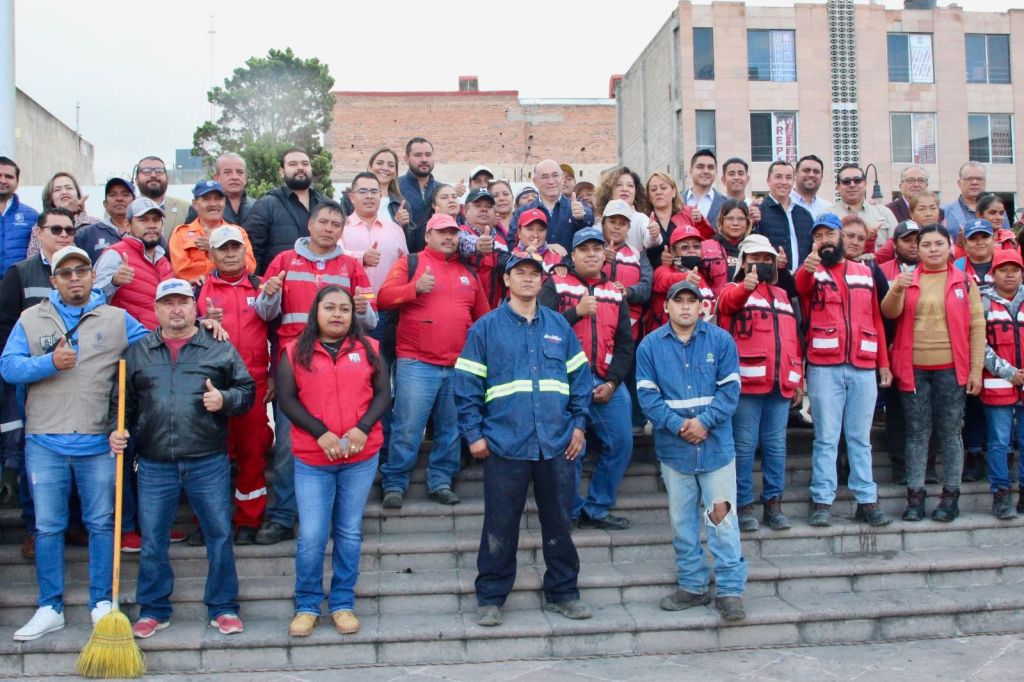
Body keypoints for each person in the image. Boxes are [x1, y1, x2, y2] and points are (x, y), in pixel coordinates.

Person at [1, 245, 149, 641]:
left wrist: (200, 326)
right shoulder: (31, 319)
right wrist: (48, 363)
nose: (74, 278)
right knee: (48, 527)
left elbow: (152, 348)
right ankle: (50, 607)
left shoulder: (116, 319)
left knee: (101, 523)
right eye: (65, 273)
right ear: (54, 281)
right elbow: (8, 366)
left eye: (81, 270)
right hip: (45, 442)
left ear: (90, 275)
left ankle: (101, 602)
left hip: (98, 441)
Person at [454, 252, 592, 627]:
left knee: (560, 522)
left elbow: (581, 379)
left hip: (557, 443)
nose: (529, 279)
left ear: (542, 281)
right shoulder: (485, 328)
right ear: (508, 280)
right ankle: (491, 597)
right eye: (521, 273)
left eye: (535, 274)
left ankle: (563, 593)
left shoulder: (560, 327)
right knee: (500, 523)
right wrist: (473, 433)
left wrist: (579, 424)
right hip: (504, 444)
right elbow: (465, 385)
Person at [112, 278, 255, 639]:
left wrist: (225, 400)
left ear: (196, 307)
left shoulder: (218, 346)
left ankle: (223, 607)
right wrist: (118, 432)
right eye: (168, 303)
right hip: (155, 462)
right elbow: (122, 405)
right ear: (156, 309)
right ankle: (154, 608)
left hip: (207, 459)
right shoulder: (138, 351)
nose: (176, 309)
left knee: (219, 535)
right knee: (154, 539)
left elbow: (247, 391)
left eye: (183, 302)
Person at [254, 201, 377, 545]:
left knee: (341, 438)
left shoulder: (351, 265)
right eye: (323, 221)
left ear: (342, 230)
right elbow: (264, 312)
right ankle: (283, 516)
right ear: (310, 224)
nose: (328, 228)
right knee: (289, 445)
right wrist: (267, 296)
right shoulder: (282, 262)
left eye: (335, 224)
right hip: (295, 364)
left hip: (341, 367)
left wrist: (365, 309)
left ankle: (341, 518)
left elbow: (371, 320)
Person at [278, 286, 390, 637]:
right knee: (312, 534)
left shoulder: (369, 348)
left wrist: (363, 427)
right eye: (330, 308)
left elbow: (384, 392)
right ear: (316, 312)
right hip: (314, 458)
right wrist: (321, 433)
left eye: (344, 308)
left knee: (348, 532)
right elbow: (286, 399)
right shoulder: (295, 351)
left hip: (360, 455)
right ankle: (308, 605)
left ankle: (342, 603)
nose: (338, 314)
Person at [636, 279, 746, 622]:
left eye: (691, 301)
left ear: (702, 307)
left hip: (715, 451)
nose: (685, 306)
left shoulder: (720, 341)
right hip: (675, 451)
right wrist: (678, 425)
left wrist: (704, 423)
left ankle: (729, 591)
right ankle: (693, 586)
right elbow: (647, 395)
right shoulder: (650, 347)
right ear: (666, 306)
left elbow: (730, 390)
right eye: (678, 301)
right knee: (682, 522)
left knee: (722, 521)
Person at [377, 213, 489, 508]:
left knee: (451, 430)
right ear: (428, 236)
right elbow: (384, 298)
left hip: (458, 366)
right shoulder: (410, 263)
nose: (449, 237)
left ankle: (441, 481)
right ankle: (395, 482)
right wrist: (414, 288)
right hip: (417, 362)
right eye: (442, 232)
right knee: (407, 427)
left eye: (453, 232)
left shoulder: (469, 272)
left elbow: (484, 320)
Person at [881, 223, 984, 523]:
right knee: (916, 433)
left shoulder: (964, 281)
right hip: (913, 369)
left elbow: (977, 328)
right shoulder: (908, 278)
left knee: (951, 433)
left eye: (939, 244)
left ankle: (950, 497)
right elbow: (889, 312)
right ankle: (915, 496)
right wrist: (898, 287)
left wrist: (976, 370)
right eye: (926, 245)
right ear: (919, 249)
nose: (933, 249)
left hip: (952, 369)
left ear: (950, 246)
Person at [795, 213, 893, 528]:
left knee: (859, 438)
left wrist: (884, 364)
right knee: (826, 437)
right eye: (818, 236)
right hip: (825, 366)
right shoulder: (810, 271)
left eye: (830, 234)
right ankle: (822, 500)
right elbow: (801, 286)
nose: (825, 240)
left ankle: (867, 500)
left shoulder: (865, 272)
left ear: (841, 237)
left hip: (863, 365)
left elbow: (876, 318)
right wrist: (807, 268)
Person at [540, 226, 635, 530]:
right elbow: (540, 329)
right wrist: (576, 313)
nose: (592, 254)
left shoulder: (614, 292)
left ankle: (597, 507)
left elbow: (624, 345)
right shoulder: (556, 284)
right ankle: (569, 510)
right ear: (574, 255)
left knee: (621, 442)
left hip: (606, 382)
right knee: (571, 449)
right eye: (585, 249)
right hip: (566, 383)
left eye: (597, 249)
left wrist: (613, 382)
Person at [0, 208, 80, 557]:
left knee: (78, 452)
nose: (64, 234)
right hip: (33, 380)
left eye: (69, 229)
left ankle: (73, 524)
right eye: (56, 228)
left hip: (76, 377)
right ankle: (36, 528)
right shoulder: (20, 272)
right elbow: (5, 325)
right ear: (40, 232)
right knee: (35, 458)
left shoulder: (81, 268)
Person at [717, 235, 802, 532]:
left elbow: (793, 337)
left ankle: (773, 503)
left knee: (776, 446)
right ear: (743, 262)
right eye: (755, 259)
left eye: (767, 259)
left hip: (781, 383)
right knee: (744, 446)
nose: (762, 264)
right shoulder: (732, 289)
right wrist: (746, 287)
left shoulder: (781, 294)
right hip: (747, 384)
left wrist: (798, 377)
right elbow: (728, 304)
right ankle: (743, 504)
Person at [195, 227, 274, 545]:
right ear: (211, 255)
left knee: (251, 452)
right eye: (223, 249)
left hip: (252, 383)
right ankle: (210, 522)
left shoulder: (263, 286)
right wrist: (203, 323)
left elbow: (278, 333)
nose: (230, 254)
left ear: (246, 252)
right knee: (209, 456)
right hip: (210, 387)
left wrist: (273, 375)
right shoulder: (196, 290)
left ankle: (249, 519)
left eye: (235, 248)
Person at [978, 249, 1024, 519]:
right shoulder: (983, 302)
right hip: (997, 385)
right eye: (1003, 270)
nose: (1010, 275)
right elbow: (979, 345)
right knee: (998, 442)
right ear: (993, 274)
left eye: (1015, 269)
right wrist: (1009, 373)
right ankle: (1001, 495)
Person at [954, 218, 997, 483]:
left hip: (1005, 343)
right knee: (973, 401)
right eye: (974, 238)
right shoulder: (958, 267)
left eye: (984, 237)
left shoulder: (1009, 264)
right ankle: (975, 454)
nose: (980, 242)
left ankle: (1002, 454)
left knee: (1002, 403)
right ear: (965, 243)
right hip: (969, 342)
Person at [244, 146, 328, 274]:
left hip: (322, 285)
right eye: (293, 164)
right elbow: (253, 251)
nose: (300, 167)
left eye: (305, 163)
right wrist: (259, 285)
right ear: (282, 171)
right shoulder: (266, 205)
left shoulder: (326, 205)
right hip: (279, 286)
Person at [94, 197, 174, 330]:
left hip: (162, 342)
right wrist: (114, 282)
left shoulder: (164, 261)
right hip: (129, 343)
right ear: (127, 225)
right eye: (143, 220)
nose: (151, 225)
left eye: (156, 220)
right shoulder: (115, 254)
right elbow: (93, 301)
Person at [169, 180, 256, 284]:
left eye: (218, 199)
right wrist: (226, 264)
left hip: (232, 292)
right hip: (198, 294)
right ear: (195, 204)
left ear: (224, 202)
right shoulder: (180, 234)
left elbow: (250, 267)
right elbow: (181, 270)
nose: (213, 204)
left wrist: (214, 249)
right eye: (206, 199)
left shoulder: (238, 232)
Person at [511, 159, 593, 252]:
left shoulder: (576, 208)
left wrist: (581, 218)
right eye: (545, 177)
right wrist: (542, 248)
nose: (551, 181)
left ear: (562, 179)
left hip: (570, 266)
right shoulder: (522, 212)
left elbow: (589, 224)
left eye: (555, 175)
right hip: (535, 265)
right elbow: (512, 245)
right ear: (535, 181)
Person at [598, 200, 652, 339]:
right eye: (612, 221)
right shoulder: (589, 249)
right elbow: (577, 278)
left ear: (628, 228)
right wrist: (600, 260)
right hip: (595, 326)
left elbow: (647, 287)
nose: (617, 227)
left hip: (629, 331)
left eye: (622, 224)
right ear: (603, 223)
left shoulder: (638, 253)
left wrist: (627, 292)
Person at [648, 225, 717, 332]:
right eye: (685, 247)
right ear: (673, 250)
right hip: (669, 342)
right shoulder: (663, 270)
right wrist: (685, 278)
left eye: (696, 246)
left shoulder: (700, 274)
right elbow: (664, 280)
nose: (692, 250)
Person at [645, 171, 714, 271]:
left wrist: (700, 222)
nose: (658, 192)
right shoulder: (644, 219)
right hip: (656, 276)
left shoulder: (689, 213)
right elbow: (638, 254)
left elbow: (708, 241)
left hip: (689, 273)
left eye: (663, 188)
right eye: (653, 189)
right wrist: (659, 260)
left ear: (673, 192)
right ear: (649, 196)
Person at [753, 160, 813, 271]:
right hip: (772, 282)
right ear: (768, 181)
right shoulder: (758, 214)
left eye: (788, 177)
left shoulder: (805, 215)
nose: (784, 182)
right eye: (778, 177)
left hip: (802, 281)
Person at [828, 164, 898, 254]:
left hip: (880, 265)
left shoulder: (884, 212)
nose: (852, 185)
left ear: (865, 184)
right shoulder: (829, 214)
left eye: (857, 180)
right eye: (846, 181)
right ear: (838, 187)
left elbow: (898, 245)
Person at [592, 166, 662, 254]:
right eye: (619, 185)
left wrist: (654, 235)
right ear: (609, 192)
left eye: (630, 185)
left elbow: (651, 241)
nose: (625, 189)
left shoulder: (641, 219)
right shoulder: (600, 222)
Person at [459, 187, 510, 307]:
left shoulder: (501, 240)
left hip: (493, 311)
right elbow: (463, 242)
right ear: (465, 211)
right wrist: (477, 245)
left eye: (488, 206)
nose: (484, 209)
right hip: (466, 309)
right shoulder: (457, 233)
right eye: (478, 205)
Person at [341, 148, 411, 229]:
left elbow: (409, 240)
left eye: (391, 165)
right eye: (380, 163)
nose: (385, 168)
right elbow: (340, 231)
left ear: (395, 173)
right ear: (370, 167)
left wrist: (401, 225)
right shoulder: (350, 199)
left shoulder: (401, 204)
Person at [398, 137, 444, 253]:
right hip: (403, 257)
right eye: (418, 155)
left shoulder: (442, 190)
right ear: (406, 159)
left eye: (428, 155)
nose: (424, 159)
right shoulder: (395, 187)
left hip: (436, 256)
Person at [75, 178, 135, 263]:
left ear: (134, 202)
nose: (119, 198)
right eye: (113, 195)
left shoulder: (144, 231)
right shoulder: (87, 234)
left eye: (125, 194)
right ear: (105, 204)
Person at [185, 152, 254, 226]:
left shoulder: (257, 206)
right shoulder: (200, 207)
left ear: (246, 178)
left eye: (239, 172)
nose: (234, 177)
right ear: (217, 178)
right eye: (227, 172)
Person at [702, 199, 753, 294]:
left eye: (741, 219)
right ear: (721, 220)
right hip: (716, 305)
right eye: (730, 218)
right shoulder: (705, 248)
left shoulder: (755, 248)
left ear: (748, 222)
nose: (735, 223)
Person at [134, 156, 190, 239]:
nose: (153, 175)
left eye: (159, 171)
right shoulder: (127, 209)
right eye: (146, 171)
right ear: (136, 179)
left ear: (167, 178)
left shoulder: (186, 209)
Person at [0, 156, 39, 273]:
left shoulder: (33, 217)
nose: (3, 180)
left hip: (18, 286)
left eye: (9, 176)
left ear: (17, 183)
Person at [512, 208, 568, 273]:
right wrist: (527, 256)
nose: (535, 235)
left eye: (541, 229)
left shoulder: (558, 258)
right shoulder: (511, 256)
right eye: (530, 229)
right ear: (519, 232)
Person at [944, 162, 988, 243]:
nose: (975, 182)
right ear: (959, 183)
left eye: (979, 179)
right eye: (969, 179)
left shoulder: (997, 210)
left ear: (985, 182)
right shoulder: (944, 211)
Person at [682, 149, 726, 227]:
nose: (706, 171)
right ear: (690, 171)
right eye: (700, 167)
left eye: (711, 167)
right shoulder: (677, 201)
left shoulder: (726, 203)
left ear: (716, 172)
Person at [720, 158, 761, 224]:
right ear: (723, 179)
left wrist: (753, 223)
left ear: (747, 179)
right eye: (731, 174)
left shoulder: (755, 207)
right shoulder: (715, 205)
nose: (736, 177)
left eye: (741, 174)